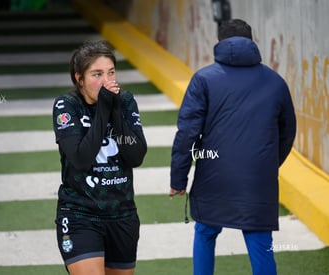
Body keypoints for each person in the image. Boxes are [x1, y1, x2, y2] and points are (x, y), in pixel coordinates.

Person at [170, 19, 296, 275]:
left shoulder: (203, 79)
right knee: (261, 243)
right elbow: (287, 133)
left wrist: (178, 179)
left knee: (205, 232)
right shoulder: (275, 82)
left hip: (214, 175)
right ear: (252, 42)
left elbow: (187, 135)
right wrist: (267, 163)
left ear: (218, 43)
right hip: (258, 179)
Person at [52, 40, 147, 275]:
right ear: (79, 78)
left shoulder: (125, 101)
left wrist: (114, 110)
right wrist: (103, 109)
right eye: (97, 74)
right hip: (80, 213)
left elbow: (135, 155)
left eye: (111, 72)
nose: (106, 81)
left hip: (122, 214)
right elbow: (81, 158)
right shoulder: (67, 106)